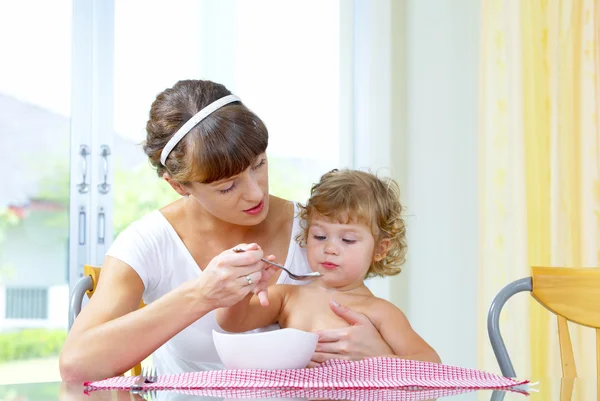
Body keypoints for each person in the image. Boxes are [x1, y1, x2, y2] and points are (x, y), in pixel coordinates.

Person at [59, 80, 397, 381]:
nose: (255, 192)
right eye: (227, 186)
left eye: (259, 165)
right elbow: (77, 364)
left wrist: (381, 356)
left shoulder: (319, 231)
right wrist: (202, 294)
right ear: (179, 186)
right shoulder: (149, 243)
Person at [216, 169, 440, 363]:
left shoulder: (380, 312)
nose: (330, 248)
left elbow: (432, 368)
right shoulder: (288, 297)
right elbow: (232, 323)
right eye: (320, 236)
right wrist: (246, 286)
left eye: (348, 240)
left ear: (380, 249)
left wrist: (380, 359)